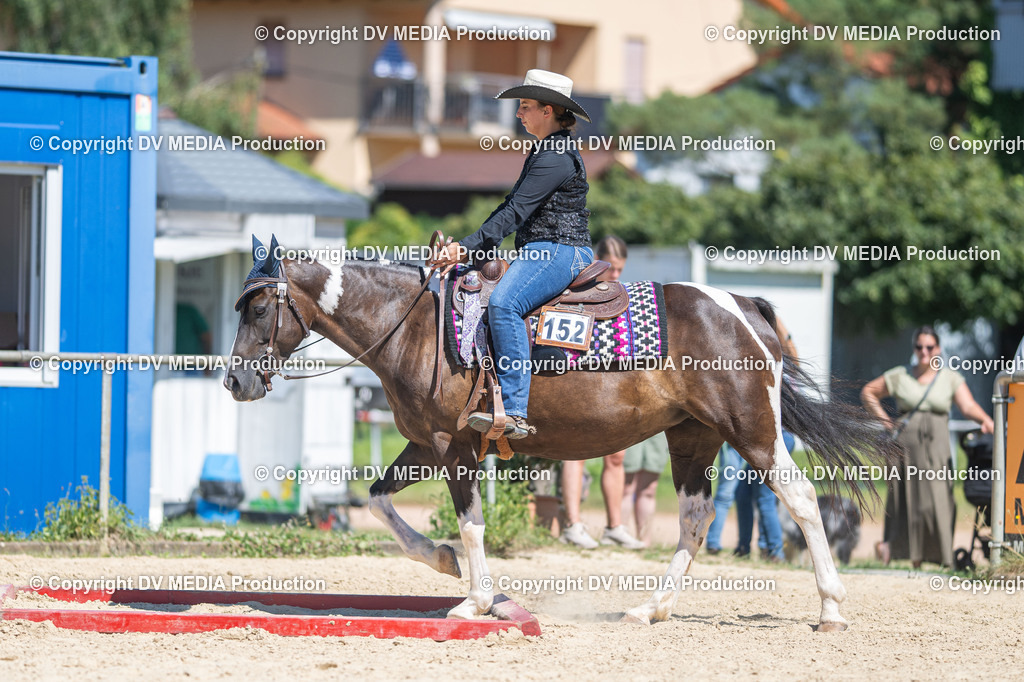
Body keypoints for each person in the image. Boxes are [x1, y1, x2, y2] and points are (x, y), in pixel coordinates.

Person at [436, 69, 594, 440]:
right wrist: (470, 245)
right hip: (542, 250)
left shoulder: (555, 155)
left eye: (525, 106)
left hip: (561, 251)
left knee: (505, 304)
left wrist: (465, 246)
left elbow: (515, 212)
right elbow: (509, 207)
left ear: (549, 110)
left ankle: (515, 411)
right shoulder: (546, 150)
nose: (519, 113)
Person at [861, 325, 994, 568]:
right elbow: (868, 392)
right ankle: (907, 556)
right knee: (905, 500)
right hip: (904, 449)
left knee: (939, 499)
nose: (924, 351)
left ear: (938, 349)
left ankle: (943, 558)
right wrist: (885, 421)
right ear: (914, 349)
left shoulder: (949, 377)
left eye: (929, 347)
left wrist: (986, 420)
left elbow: (968, 405)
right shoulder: (901, 375)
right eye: (919, 346)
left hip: (937, 449)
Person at [559, 236, 644, 549]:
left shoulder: (619, 296)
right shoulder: (576, 291)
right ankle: (573, 525)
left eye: (621, 270)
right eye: (612, 269)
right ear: (599, 261)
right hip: (578, 382)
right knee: (574, 454)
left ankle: (614, 527)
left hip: (610, 386)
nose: (617, 276)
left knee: (617, 457)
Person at [706, 319, 798, 557]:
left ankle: (774, 551)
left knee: (765, 497)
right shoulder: (755, 367)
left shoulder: (782, 371)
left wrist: (775, 322)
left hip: (778, 437)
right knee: (743, 495)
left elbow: (792, 353)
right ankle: (745, 547)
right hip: (754, 437)